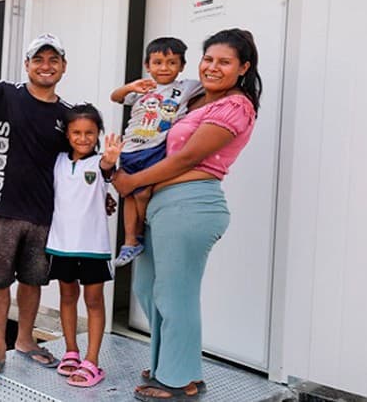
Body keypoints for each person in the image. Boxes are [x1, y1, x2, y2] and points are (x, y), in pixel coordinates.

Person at [111, 29, 262, 400]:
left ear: (243, 68)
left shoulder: (235, 106)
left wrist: (131, 182)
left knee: (176, 295)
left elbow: (187, 158)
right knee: (148, 289)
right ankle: (169, 365)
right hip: (162, 204)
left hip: (191, 203)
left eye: (224, 62)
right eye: (208, 59)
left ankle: (179, 381)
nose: (213, 67)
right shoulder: (193, 97)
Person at [0, 12, 72, 381]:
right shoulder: (5, 94)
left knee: (33, 280)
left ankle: (25, 340)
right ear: (27, 64)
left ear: (64, 66)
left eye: (53, 60)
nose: (46, 66)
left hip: (43, 214)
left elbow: (76, 167)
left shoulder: (69, 116)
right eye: (39, 59)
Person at [47, 103, 122, 388]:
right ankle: (71, 351)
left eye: (89, 132)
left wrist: (111, 159)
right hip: (61, 245)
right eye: (76, 132)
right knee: (67, 298)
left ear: (98, 134)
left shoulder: (100, 162)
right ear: (67, 134)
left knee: (93, 302)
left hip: (93, 247)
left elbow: (106, 170)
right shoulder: (57, 161)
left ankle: (92, 361)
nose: (82, 138)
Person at [110, 38, 202, 267]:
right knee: (129, 195)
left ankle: (144, 228)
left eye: (172, 62)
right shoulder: (143, 88)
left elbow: (214, 88)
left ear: (181, 66)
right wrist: (131, 87)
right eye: (158, 62)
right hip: (130, 148)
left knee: (141, 193)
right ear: (147, 65)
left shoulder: (187, 87)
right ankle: (130, 241)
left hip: (155, 148)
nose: (164, 68)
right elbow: (115, 96)